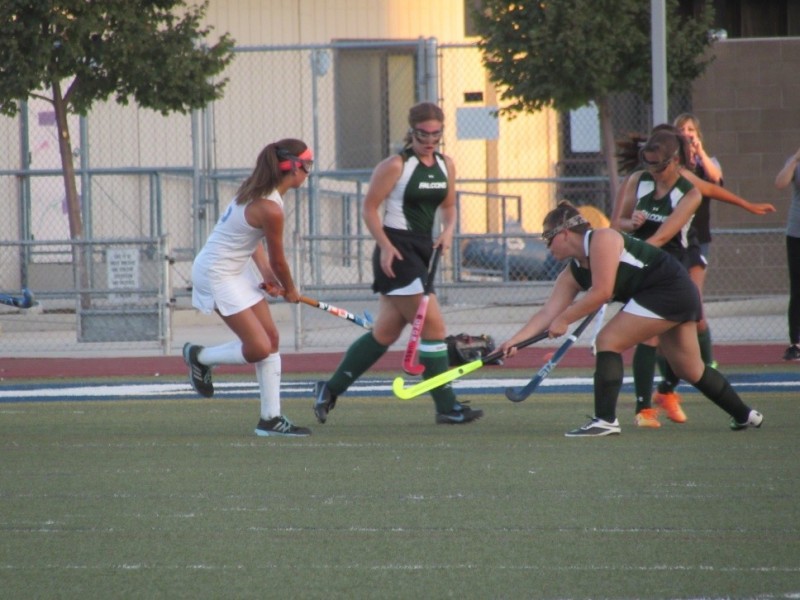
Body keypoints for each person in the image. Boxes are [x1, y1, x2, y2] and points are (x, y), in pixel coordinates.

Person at [498, 201, 763, 437]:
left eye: (548, 238)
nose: (546, 245)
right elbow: (547, 313)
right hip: (673, 294)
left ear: (565, 233)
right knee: (690, 369)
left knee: (607, 340)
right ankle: (745, 415)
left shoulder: (602, 239)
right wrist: (515, 342)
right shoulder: (573, 272)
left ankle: (605, 420)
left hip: (668, 290)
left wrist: (565, 319)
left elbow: (601, 292)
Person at [313, 102, 483, 425]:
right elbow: (369, 209)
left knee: (385, 333)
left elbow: (449, 206)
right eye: (423, 134)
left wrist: (448, 230)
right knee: (433, 326)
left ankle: (330, 388)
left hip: (423, 250)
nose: (430, 140)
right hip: (397, 252)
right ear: (412, 131)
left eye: (436, 134)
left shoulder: (447, 165)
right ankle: (446, 406)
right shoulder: (395, 166)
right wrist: (386, 246)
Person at [612, 126, 775, 428]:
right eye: (647, 163)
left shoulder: (689, 192)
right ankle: (741, 414)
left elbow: (662, 239)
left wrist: (749, 206)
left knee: (632, 343)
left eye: (658, 165)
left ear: (675, 161)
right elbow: (616, 223)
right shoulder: (637, 180)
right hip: (644, 268)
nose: (652, 171)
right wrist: (630, 224)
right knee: (683, 362)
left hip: (668, 273)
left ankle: (638, 408)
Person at [182, 139, 313, 437]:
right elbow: (280, 260)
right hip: (216, 273)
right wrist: (289, 289)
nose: (309, 173)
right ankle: (199, 357)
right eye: (308, 166)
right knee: (258, 348)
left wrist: (268, 277)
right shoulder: (269, 207)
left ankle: (271, 419)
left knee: (272, 338)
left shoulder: (260, 192)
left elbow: (253, 245)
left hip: (234, 270)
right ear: (292, 167)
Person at [774, 145, 800, 361]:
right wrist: (795, 159)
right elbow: (780, 183)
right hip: (797, 233)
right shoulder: (795, 161)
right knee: (797, 288)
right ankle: (796, 343)